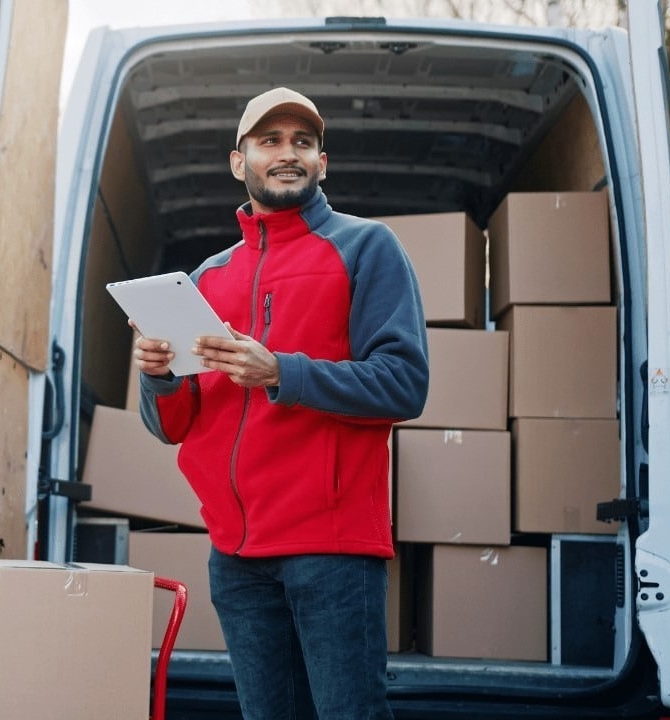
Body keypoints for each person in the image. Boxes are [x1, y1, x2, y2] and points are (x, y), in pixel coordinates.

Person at [132, 87, 429, 720]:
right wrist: (159, 377)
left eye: (303, 142)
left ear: (324, 161)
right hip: (237, 558)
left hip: (332, 553)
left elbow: (405, 383)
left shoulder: (366, 249)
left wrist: (281, 373)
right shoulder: (206, 280)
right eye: (270, 141)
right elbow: (174, 426)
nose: (287, 153)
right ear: (239, 162)